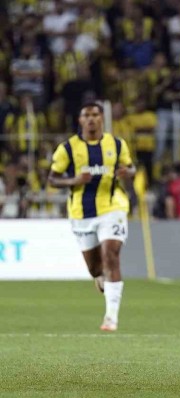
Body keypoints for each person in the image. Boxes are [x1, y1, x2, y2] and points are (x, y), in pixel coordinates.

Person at [48, 102, 136, 331]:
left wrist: (129, 173)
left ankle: (111, 318)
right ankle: (99, 276)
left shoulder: (116, 145)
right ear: (80, 120)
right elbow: (52, 179)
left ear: (101, 119)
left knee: (111, 254)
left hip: (113, 206)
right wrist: (73, 181)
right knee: (95, 268)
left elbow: (131, 168)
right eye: (86, 115)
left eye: (95, 115)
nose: (91, 119)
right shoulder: (67, 148)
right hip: (81, 212)